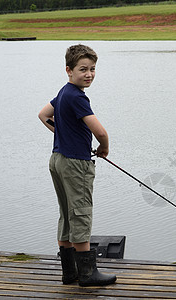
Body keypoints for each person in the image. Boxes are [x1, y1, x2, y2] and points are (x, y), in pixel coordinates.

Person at [38, 44, 116, 287]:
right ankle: (87, 274)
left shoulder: (63, 93)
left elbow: (43, 115)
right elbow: (100, 131)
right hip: (75, 164)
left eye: (93, 69)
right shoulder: (77, 97)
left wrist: (62, 131)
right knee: (80, 213)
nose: (89, 74)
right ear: (69, 70)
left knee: (67, 214)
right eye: (83, 69)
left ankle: (69, 272)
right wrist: (104, 147)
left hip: (57, 160)